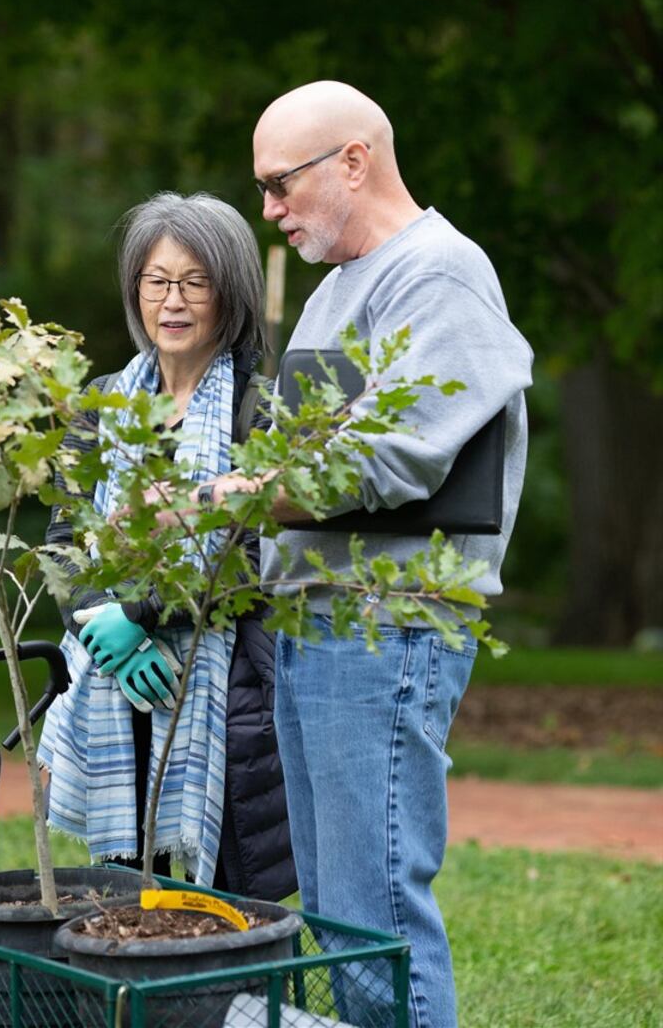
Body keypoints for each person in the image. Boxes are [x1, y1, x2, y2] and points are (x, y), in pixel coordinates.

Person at [209, 82, 533, 1027]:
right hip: (321, 628)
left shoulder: (436, 274)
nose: (268, 210)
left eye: (280, 183)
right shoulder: (345, 284)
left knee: (374, 916)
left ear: (353, 160)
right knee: (342, 912)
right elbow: (301, 452)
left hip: (384, 627)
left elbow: (396, 453)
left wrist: (238, 492)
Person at [38, 191, 295, 899]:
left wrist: (145, 613)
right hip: (114, 679)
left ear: (229, 292)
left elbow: (255, 555)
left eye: (194, 282)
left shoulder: (259, 409)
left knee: (219, 895)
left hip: (225, 683)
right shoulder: (102, 404)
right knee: (119, 887)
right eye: (156, 281)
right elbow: (64, 543)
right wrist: (106, 635)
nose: (172, 301)